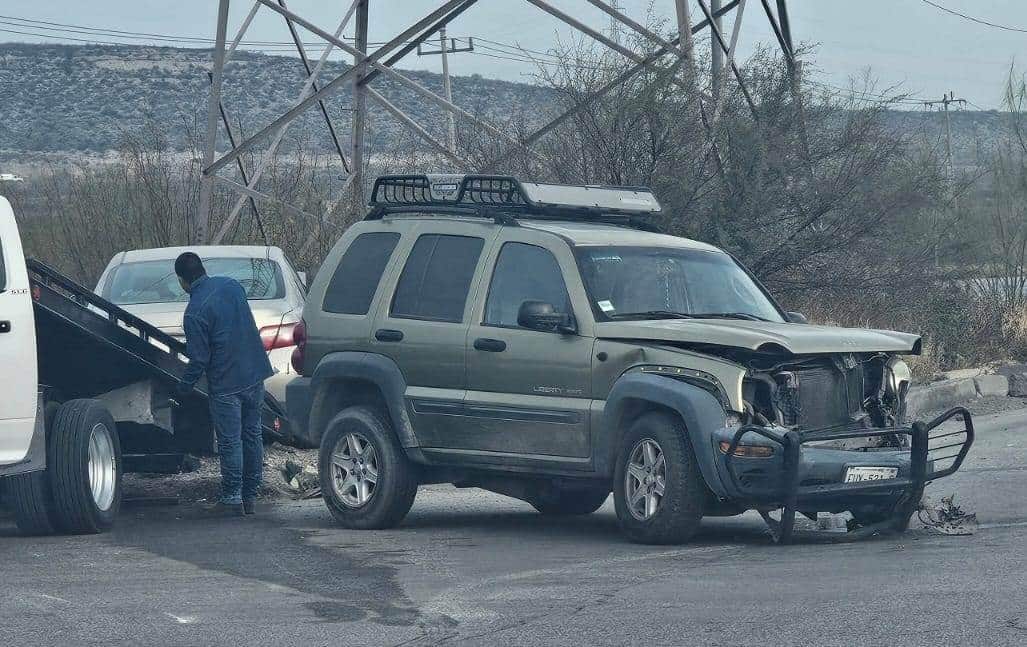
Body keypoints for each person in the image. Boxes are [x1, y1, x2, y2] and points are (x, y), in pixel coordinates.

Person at [175, 252, 273, 517]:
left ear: (182, 281)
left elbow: (199, 359)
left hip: (226, 383)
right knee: (252, 435)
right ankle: (250, 496)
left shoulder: (194, 313)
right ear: (203, 269)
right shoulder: (232, 285)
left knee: (230, 442)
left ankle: (231, 498)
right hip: (254, 373)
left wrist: (183, 387)